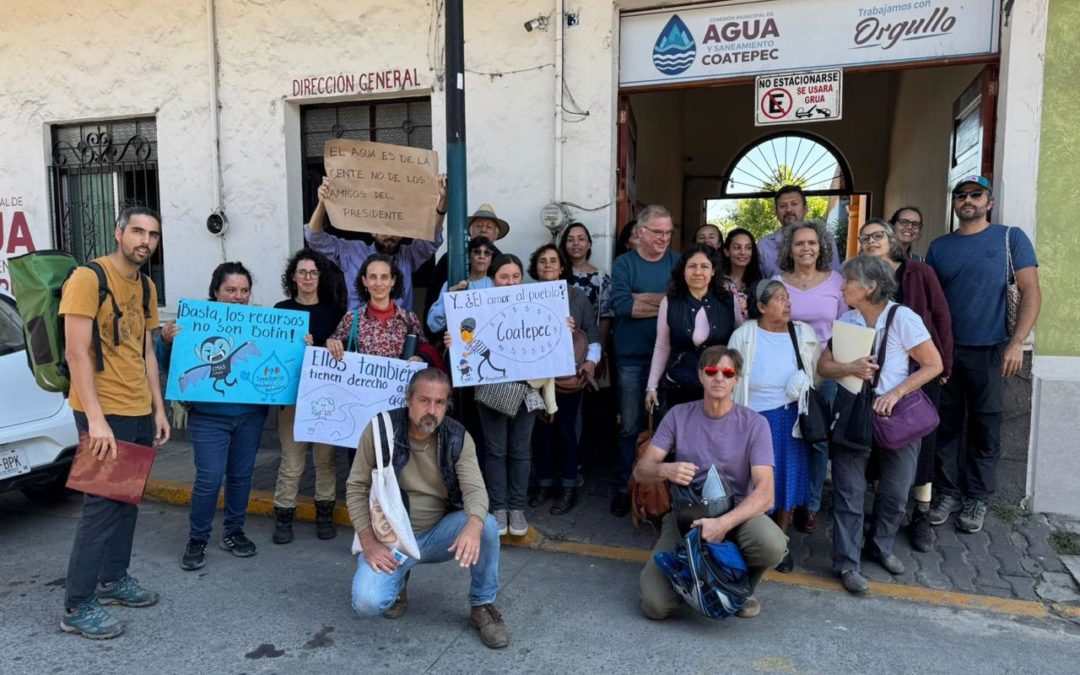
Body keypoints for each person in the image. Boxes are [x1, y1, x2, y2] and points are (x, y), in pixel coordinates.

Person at [59, 206, 169, 640]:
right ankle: (77, 604)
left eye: (153, 235)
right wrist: (97, 421)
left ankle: (113, 580)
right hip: (102, 411)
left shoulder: (144, 285)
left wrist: (159, 409)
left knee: (127, 502)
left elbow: (145, 351)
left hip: (138, 408)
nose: (145, 240)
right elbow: (76, 353)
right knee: (101, 507)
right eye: (138, 231)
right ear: (118, 232)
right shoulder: (89, 279)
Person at [347, 368, 510, 649]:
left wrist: (473, 525)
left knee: (487, 526)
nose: (431, 410)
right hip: (391, 540)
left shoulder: (457, 437)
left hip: (438, 535)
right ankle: (399, 583)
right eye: (424, 400)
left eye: (439, 403)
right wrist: (368, 542)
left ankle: (482, 605)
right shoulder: (381, 430)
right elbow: (355, 487)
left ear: (447, 405)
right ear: (408, 399)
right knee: (367, 603)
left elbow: (475, 489)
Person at [817, 255, 943, 594]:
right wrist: (850, 368)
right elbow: (824, 367)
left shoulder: (903, 318)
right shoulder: (848, 319)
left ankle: (881, 545)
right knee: (849, 493)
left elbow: (933, 365)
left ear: (871, 286)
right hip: (854, 413)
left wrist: (897, 393)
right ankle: (847, 563)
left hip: (895, 415)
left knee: (896, 493)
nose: (842, 287)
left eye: (848, 282)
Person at [635, 346, 786, 620]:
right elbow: (641, 471)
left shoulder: (755, 424)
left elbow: (766, 494)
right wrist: (667, 469)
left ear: (736, 379)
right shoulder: (679, 415)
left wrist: (722, 524)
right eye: (712, 371)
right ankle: (698, 583)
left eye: (727, 372)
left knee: (772, 543)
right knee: (654, 606)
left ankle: (739, 588)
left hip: (736, 517)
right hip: (686, 519)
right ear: (701, 376)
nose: (719, 377)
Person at [926, 176, 1040, 534]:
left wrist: (1017, 342)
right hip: (947, 352)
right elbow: (932, 304)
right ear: (955, 204)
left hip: (992, 350)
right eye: (961, 196)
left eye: (976, 195)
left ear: (989, 202)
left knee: (985, 426)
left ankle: (977, 497)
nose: (967, 200)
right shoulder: (939, 247)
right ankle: (945, 491)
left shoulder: (1011, 238)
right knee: (945, 426)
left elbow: (1031, 291)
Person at [173, 262, 276, 571]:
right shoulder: (194, 324)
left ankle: (233, 531)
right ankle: (198, 538)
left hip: (250, 416)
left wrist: (301, 345)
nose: (238, 296)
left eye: (244, 290)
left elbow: (281, 356)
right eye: (231, 290)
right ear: (215, 292)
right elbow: (172, 365)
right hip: (208, 417)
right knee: (209, 478)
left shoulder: (262, 323)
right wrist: (166, 340)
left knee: (241, 477)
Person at [858, 219, 953, 551]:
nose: (872, 240)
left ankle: (921, 517)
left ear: (891, 239)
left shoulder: (917, 272)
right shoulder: (860, 278)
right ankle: (881, 516)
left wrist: (944, 364)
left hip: (919, 371)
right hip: (874, 378)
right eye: (865, 237)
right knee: (883, 449)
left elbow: (941, 316)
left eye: (878, 235)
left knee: (920, 448)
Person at [450, 254, 557, 536]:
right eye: (503, 277)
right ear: (492, 279)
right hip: (492, 389)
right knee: (496, 451)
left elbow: (552, 337)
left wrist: (563, 326)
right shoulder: (479, 306)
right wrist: (455, 333)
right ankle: (498, 507)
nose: (510, 282)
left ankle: (517, 508)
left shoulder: (537, 305)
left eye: (515, 276)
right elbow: (465, 340)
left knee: (521, 451)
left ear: (523, 277)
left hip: (528, 389)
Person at [727, 280, 819, 573]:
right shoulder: (744, 335)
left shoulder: (802, 332)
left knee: (786, 481)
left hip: (789, 417)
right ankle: (753, 539)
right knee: (752, 482)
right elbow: (730, 378)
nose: (787, 303)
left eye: (788, 297)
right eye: (780, 299)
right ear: (762, 307)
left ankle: (781, 542)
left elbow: (817, 370)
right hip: (753, 419)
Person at [271, 249, 348, 544]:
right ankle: (283, 516)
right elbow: (272, 352)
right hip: (291, 395)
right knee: (291, 459)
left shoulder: (335, 311)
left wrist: (327, 346)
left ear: (320, 277)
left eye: (313, 273)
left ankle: (324, 514)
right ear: (293, 276)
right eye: (302, 272)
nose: (307, 278)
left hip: (325, 396)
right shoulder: (281, 310)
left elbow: (345, 354)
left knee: (325, 459)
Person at [776, 220, 846, 535]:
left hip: (825, 372)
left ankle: (812, 504)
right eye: (799, 243)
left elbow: (847, 325)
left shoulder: (836, 282)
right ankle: (785, 500)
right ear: (789, 250)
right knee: (788, 437)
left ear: (821, 248)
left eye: (812, 243)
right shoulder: (777, 282)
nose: (806, 248)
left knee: (817, 439)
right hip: (786, 371)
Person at [609, 205, 679, 517]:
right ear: (641, 232)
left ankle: (659, 492)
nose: (664, 238)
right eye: (658, 232)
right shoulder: (624, 263)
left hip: (669, 359)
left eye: (668, 232)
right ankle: (626, 487)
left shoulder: (678, 262)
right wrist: (664, 301)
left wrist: (645, 299)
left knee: (666, 428)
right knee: (629, 427)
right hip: (630, 358)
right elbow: (624, 307)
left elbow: (681, 304)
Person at [527, 244, 601, 515]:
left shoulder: (577, 297)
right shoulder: (523, 295)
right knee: (541, 432)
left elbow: (593, 336)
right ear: (535, 267)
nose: (547, 265)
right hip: (534, 378)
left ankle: (569, 486)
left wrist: (591, 363)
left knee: (566, 432)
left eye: (553, 261)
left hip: (567, 377)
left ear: (562, 267)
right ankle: (544, 483)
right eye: (542, 260)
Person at [305, 174, 448, 311]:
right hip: (360, 334)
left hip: (400, 333)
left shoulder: (408, 255)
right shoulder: (352, 252)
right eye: (384, 228)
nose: (390, 235)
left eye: (396, 229)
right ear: (372, 231)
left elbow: (432, 239)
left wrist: (442, 202)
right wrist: (322, 203)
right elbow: (314, 238)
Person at [644, 243, 735, 421]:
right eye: (692, 266)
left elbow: (742, 339)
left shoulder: (728, 302)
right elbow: (662, 346)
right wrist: (651, 386)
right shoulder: (670, 302)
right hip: (678, 386)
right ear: (683, 271)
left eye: (704, 266)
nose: (698, 272)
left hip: (719, 386)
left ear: (713, 271)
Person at [324, 253, 429, 364]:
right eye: (372, 277)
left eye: (384, 277)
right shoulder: (352, 318)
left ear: (392, 281)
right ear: (365, 281)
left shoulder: (409, 319)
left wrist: (421, 357)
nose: (378, 283)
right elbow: (329, 351)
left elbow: (426, 349)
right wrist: (331, 344)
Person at [425, 203, 510, 326]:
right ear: (470, 231)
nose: (483, 229)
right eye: (479, 225)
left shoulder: (503, 262)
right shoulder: (450, 258)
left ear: (496, 234)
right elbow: (433, 295)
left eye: (489, 227)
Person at [757, 185, 841, 278]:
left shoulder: (825, 241)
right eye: (782, 206)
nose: (788, 209)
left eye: (794, 204)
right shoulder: (764, 246)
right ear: (776, 213)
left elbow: (835, 278)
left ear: (805, 209)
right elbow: (759, 284)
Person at [426, 236, 499, 334]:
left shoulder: (497, 286)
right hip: (460, 343)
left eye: (487, 253)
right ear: (469, 257)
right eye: (477, 252)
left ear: (491, 259)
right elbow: (433, 325)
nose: (482, 256)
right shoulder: (452, 284)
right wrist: (450, 299)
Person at [560, 222, 613, 345]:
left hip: (588, 344)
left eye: (581, 239)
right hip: (559, 343)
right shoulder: (556, 275)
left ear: (589, 244)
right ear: (564, 245)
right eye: (570, 240)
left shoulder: (601, 278)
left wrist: (599, 350)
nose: (576, 243)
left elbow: (605, 318)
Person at [719, 227, 764, 326]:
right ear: (726, 252)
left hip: (750, 338)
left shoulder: (759, 283)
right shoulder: (717, 281)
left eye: (748, 248)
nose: (743, 252)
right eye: (737, 247)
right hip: (721, 338)